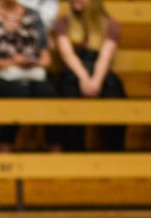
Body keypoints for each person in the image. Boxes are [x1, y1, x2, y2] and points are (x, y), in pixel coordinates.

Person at [0, 0, 62, 151]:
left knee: (48, 93)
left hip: (32, 72)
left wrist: (31, 62)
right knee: (17, 93)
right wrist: (12, 62)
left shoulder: (33, 15)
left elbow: (47, 59)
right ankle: (5, 147)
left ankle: (55, 150)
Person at [53, 0, 126, 151]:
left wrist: (96, 80)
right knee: (68, 95)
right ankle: (73, 151)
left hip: (100, 70)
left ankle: (114, 150)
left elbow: (105, 57)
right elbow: (67, 55)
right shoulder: (63, 22)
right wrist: (84, 78)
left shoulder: (110, 24)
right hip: (73, 71)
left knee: (114, 94)